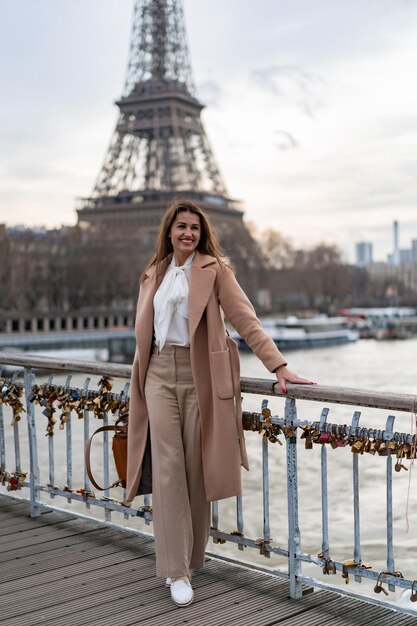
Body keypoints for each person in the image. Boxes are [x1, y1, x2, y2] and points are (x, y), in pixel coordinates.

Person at [125, 198, 314, 607]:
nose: (188, 233)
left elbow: (247, 321)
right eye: (181, 227)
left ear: (202, 232)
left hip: (201, 378)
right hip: (157, 374)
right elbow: (144, 333)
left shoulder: (216, 271)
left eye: (194, 227)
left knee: (194, 471)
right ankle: (174, 570)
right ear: (169, 232)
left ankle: (190, 561)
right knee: (169, 471)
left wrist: (278, 366)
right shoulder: (152, 274)